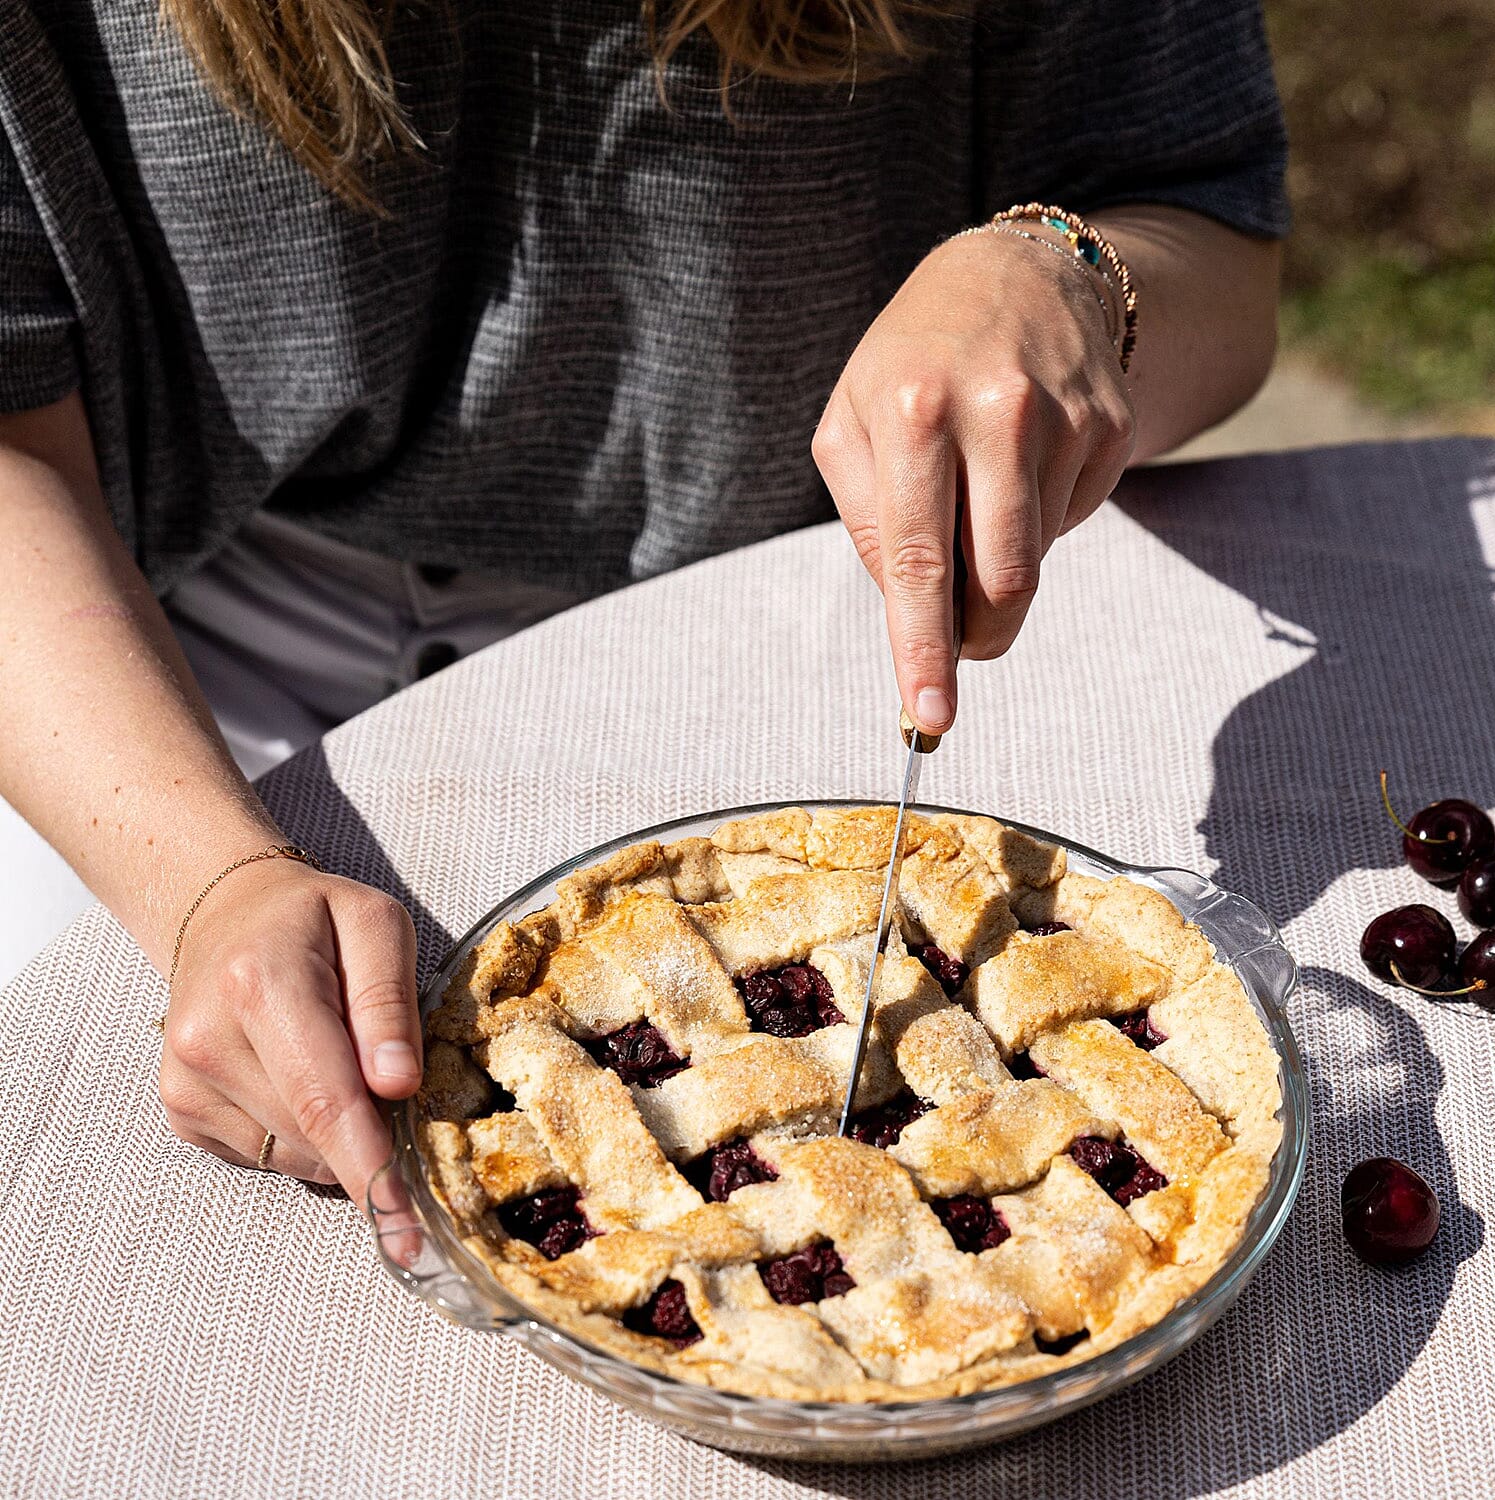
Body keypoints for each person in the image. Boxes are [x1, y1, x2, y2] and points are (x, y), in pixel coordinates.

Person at [0, 0, 1285, 1203]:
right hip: (150, 677)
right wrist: (208, 880)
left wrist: (1063, 272)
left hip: (782, 621)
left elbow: (1215, 246)